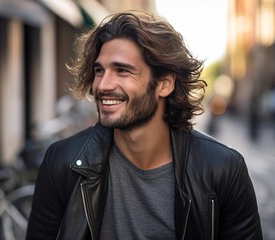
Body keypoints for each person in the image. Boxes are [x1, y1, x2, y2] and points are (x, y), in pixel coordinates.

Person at [26, 10, 262, 240]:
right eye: (100, 70)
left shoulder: (224, 170)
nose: (103, 85)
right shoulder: (62, 163)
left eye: (122, 70)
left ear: (165, 84)